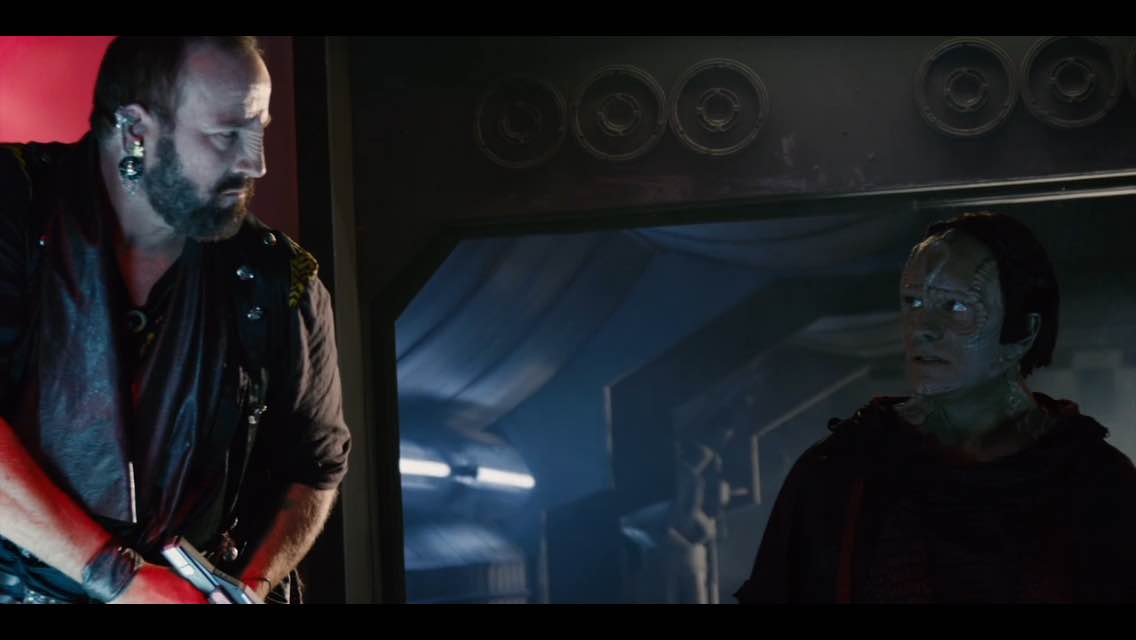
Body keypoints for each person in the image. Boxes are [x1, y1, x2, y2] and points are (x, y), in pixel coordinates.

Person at [0, 36, 351, 604]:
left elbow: (313, 469)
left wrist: (249, 589)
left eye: (259, 128)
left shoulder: (278, 279)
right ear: (135, 129)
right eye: (226, 134)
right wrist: (120, 579)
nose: (255, 161)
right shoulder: (13, 206)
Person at [735, 211, 1136, 603]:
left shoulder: (1096, 483)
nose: (921, 328)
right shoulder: (840, 472)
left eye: (956, 307)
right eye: (913, 302)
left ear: (1023, 332)